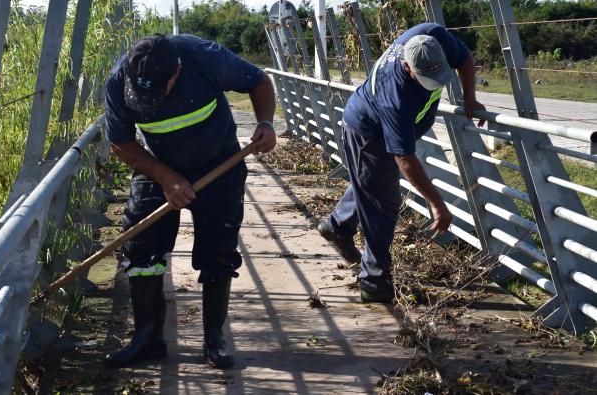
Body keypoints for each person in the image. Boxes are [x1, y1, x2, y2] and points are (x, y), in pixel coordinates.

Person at [103, 34, 276, 368]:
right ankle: (148, 338)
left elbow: (258, 80)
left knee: (218, 249)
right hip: (158, 163)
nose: (150, 102)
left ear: (176, 73)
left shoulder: (204, 57)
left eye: (157, 92)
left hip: (219, 163)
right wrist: (165, 177)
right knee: (141, 242)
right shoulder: (117, 81)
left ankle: (214, 338)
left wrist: (265, 123)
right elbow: (121, 142)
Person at [317, 23, 485, 303]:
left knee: (373, 184)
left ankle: (337, 226)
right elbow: (405, 159)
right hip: (367, 131)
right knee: (383, 203)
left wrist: (470, 98)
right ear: (408, 68)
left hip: (382, 127)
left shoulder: (432, 36)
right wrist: (437, 204)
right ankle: (374, 280)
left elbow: (465, 57)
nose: (439, 84)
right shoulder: (396, 94)